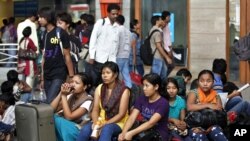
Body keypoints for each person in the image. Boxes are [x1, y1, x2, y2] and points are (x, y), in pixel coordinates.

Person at [77, 61, 130, 141]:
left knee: (107, 129)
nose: (104, 76)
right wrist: (95, 123)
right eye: (103, 73)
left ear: (115, 75)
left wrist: (104, 124)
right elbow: (95, 109)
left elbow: (121, 114)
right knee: (86, 129)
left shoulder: (124, 90)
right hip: (101, 120)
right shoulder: (100, 88)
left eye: (108, 73)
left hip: (118, 122)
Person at [38, 7, 74, 103]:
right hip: (47, 74)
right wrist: (42, 78)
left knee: (50, 101)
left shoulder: (60, 33)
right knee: (52, 103)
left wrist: (71, 76)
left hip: (58, 74)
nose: (39, 20)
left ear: (48, 17)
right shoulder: (43, 34)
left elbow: (67, 56)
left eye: (41, 17)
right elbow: (44, 57)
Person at [118, 73, 169, 141]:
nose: (144, 88)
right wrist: (123, 133)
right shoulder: (141, 98)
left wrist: (131, 133)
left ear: (156, 87)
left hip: (158, 134)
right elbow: (132, 117)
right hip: (144, 130)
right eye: (143, 85)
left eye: (147, 86)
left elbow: (151, 123)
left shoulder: (163, 103)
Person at [186, 69, 228, 141]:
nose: (205, 83)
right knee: (200, 137)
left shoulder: (216, 95)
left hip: (212, 125)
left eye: (208, 81)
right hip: (196, 125)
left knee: (218, 135)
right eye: (202, 81)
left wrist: (211, 126)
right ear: (198, 82)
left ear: (213, 82)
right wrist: (208, 105)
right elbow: (190, 107)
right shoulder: (193, 93)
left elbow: (219, 110)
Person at [51, 73, 93, 141]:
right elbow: (51, 110)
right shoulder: (71, 95)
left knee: (57, 120)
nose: (73, 84)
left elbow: (69, 117)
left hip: (79, 130)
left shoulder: (88, 100)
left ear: (84, 87)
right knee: (51, 117)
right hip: (66, 127)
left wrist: (64, 96)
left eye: (77, 83)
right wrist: (61, 93)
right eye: (72, 82)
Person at [88, 3, 120, 87]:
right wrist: (92, 56)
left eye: (117, 14)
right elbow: (93, 39)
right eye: (113, 14)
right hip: (100, 59)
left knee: (109, 83)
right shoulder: (100, 23)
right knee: (95, 82)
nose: (115, 16)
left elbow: (116, 44)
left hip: (112, 60)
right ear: (108, 13)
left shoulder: (117, 26)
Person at [149, 15, 172, 79]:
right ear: (157, 21)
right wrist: (167, 57)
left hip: (159, 57)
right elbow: (159, 46)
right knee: (155, 77)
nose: (162, 21)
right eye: (161, 20)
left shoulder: (153, 29)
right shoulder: (157, 32)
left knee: (163, 75)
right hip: (157, 57)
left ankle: (161, 88)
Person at [116, 15, 132, 89]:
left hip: (119, 55)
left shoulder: (118, 30)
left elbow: (117, 43)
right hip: (126, 55)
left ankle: (118, 91)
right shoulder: (128, 31)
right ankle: (129, 90)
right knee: (126, 74)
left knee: (117, 75)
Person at [161, 11, 174, 76]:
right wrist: (168, 50)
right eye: (169, 17)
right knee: (170, 65)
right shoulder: (163, 25)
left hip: (168, 48)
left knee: (170, 65)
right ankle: (163, 78)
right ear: (166, 17)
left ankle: (163, 78)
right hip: (166, 49)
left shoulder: (167, 25)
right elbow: (163, 40)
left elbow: (167, 38)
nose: (170, 18)